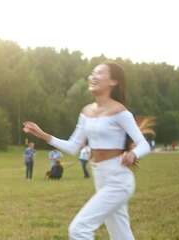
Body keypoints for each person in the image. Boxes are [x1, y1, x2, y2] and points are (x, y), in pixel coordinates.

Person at [23, 62, 151, 240]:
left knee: (79, 229)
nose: (93, 76)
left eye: (99, 73)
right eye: (92, 73)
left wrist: (133, 154)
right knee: (121, 235)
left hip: (118, 180)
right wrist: (44, 135)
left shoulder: (120, 111)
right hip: (101, 177)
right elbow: (73, 146)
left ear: (113, 81)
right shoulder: (86, 112)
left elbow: (144, 144)